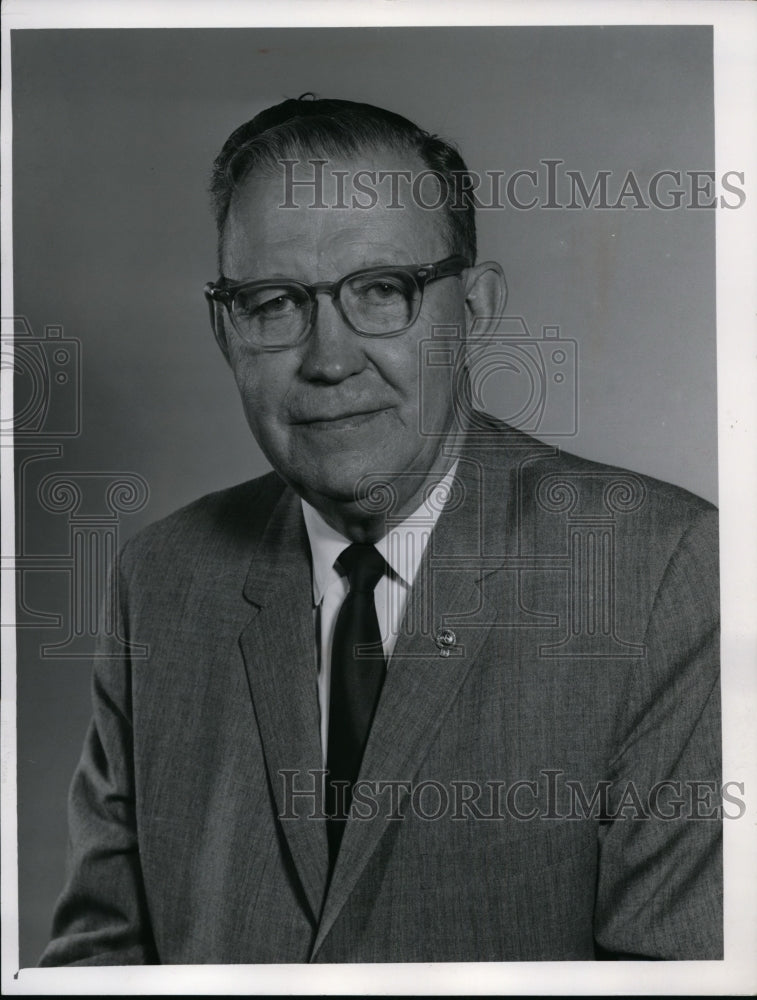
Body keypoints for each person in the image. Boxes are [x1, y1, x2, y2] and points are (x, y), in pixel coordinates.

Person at [40, 96, 722, 965]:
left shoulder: (657, 571)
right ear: (224, 330)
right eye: (273, 302)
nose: (328, 358)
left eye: (379, 291)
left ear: (473, 309)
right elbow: (101, 962)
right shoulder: (159, 580)